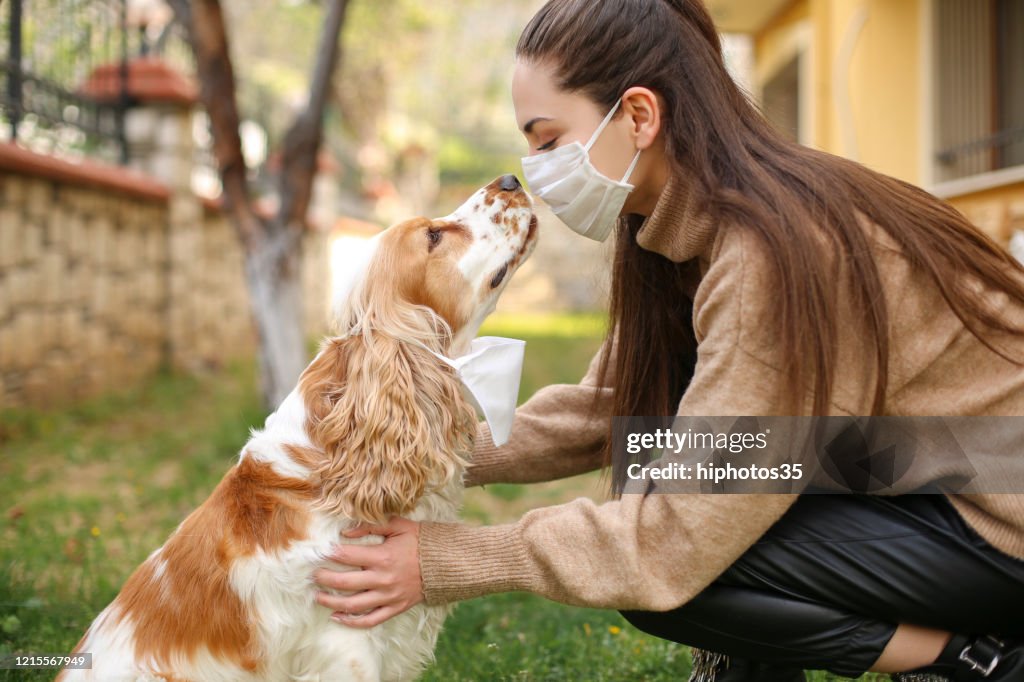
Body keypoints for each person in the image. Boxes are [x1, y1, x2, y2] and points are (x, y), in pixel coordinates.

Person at [311, 1, 1024, 679]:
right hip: (926, 469)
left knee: (679, 548)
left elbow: (674, 540)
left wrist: (456, 558)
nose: (536, 172)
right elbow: (606, 409)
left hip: (999, 521)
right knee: (657, 452)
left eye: (549, 140)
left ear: (640, 115)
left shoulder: (770, 257)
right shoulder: (687, 229)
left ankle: (973, 659)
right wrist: (401, 447)